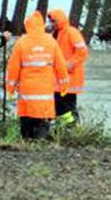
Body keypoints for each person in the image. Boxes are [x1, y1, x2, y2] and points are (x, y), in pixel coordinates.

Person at [6, 12, 69, 140]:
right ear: (42, 25)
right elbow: (60, 66)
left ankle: (27, 138)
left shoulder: (21, 43)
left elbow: (13, 68)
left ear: (27, 25)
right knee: (43, 118)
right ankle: (41, 139)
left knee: (26, 118)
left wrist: (10, 87)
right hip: (45, 91)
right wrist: (64, 85)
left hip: (27, 91)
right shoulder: (51, 42)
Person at [47, 9, 89, 125]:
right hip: (59, 79)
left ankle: (72, 127)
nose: (52, 24)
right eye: (50, 21)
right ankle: (63, 128)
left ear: (60, 20)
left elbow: (82, 52)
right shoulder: (55, 34)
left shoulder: (72, 32)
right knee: (58, 105)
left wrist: (69, 64)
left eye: (54, 21)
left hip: (70, 78)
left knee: (66, 106)